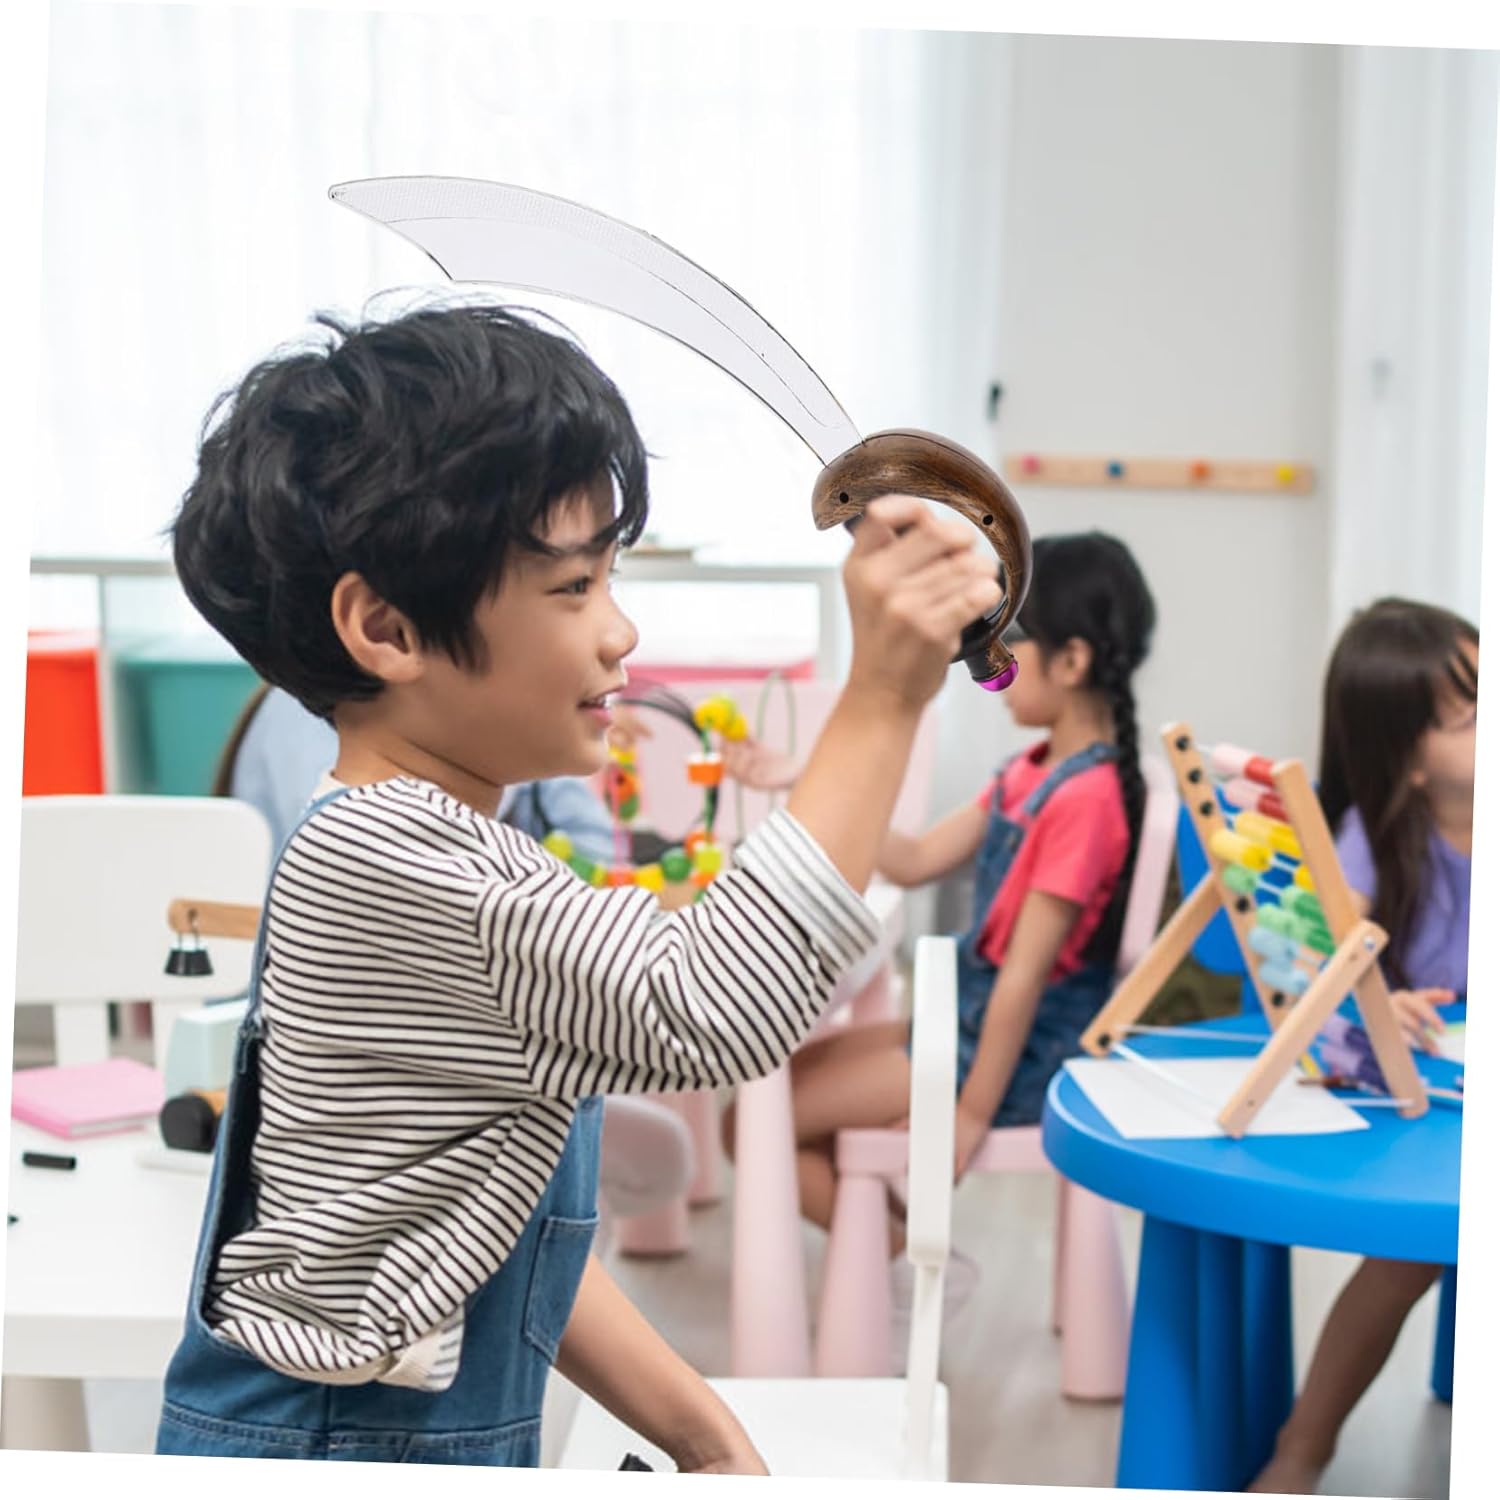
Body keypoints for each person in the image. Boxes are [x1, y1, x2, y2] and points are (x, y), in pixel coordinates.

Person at [153, 300, 1001, 1471]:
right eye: (573, 588)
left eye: (613, 577)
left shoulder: (444, 843)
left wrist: (704, 1435)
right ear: (387, 628)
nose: (620, 632)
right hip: (336, 1453)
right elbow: (715, 1006)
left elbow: (492, 1232)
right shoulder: (395, 865)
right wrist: (886, 695)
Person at [738, 532, 1156, 1303]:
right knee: (764, 1097)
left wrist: (967, 1115)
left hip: (1011, 1058)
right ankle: (906, 1261)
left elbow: (1024, 979)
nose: (988, 664)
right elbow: (915, 858)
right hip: (964, 1019)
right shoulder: (1030, 773)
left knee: (755, 1125)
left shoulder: (1085, 801)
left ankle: (908, 1273)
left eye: (1007, 641)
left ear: (1070, 662)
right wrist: (808, 779)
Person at [211, 683, 690, 1250]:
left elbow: (596, 859)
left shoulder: (486, 738)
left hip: (454, 1037)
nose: (616, 644)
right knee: (573, 1167)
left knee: (651, 1154)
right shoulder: (350, 787)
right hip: (353, 1070)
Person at [1250, 597, 1476, 1495]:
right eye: (1470, 717)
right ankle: (1304, 1447)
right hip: (1423, 1105)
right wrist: (1374, 994)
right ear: (1410, 761)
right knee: (1406, 1254)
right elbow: (1317, 968)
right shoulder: (1373, 845)